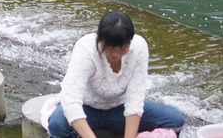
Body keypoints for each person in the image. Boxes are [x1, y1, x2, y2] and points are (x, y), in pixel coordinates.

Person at [48, 11, 185, 138]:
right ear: (98, 37)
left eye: (123, 48)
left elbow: (135, 99)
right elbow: (71, 100)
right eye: (110, 48)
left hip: (119, 108)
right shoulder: (85, 49)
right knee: (57, 125)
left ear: (131, 40)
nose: (116, 54)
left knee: (174, 120)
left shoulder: (139, 47)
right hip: (87, 107)